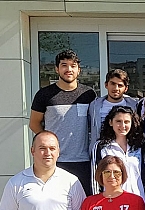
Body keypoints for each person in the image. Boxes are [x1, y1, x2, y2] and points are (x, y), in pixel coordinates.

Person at [29, 49, 97, 195]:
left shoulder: (89, 94)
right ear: (57, 69)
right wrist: (49, 144)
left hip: (83, 161)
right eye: (64, 65)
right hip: (55, 161)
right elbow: (34, 124)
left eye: (73, 66)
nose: (68, 69)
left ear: (79, 70)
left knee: (82, 206)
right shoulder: (44, 95)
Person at [91, 106, 145, 199]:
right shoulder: (101, 147)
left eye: (127, 122)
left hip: (139, 199)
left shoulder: (139, 146)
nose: (123, 126)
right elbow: (96, 178)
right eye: (118, 121)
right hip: (112, 200)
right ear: (111, 122)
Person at [89, 69, 138, 148]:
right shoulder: (94, 106)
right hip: (102, 149)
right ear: (106, 85)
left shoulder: (134, 105)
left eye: (120, 85)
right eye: (113, 84)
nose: (116, 88)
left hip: (127, 150)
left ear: (126, 88)